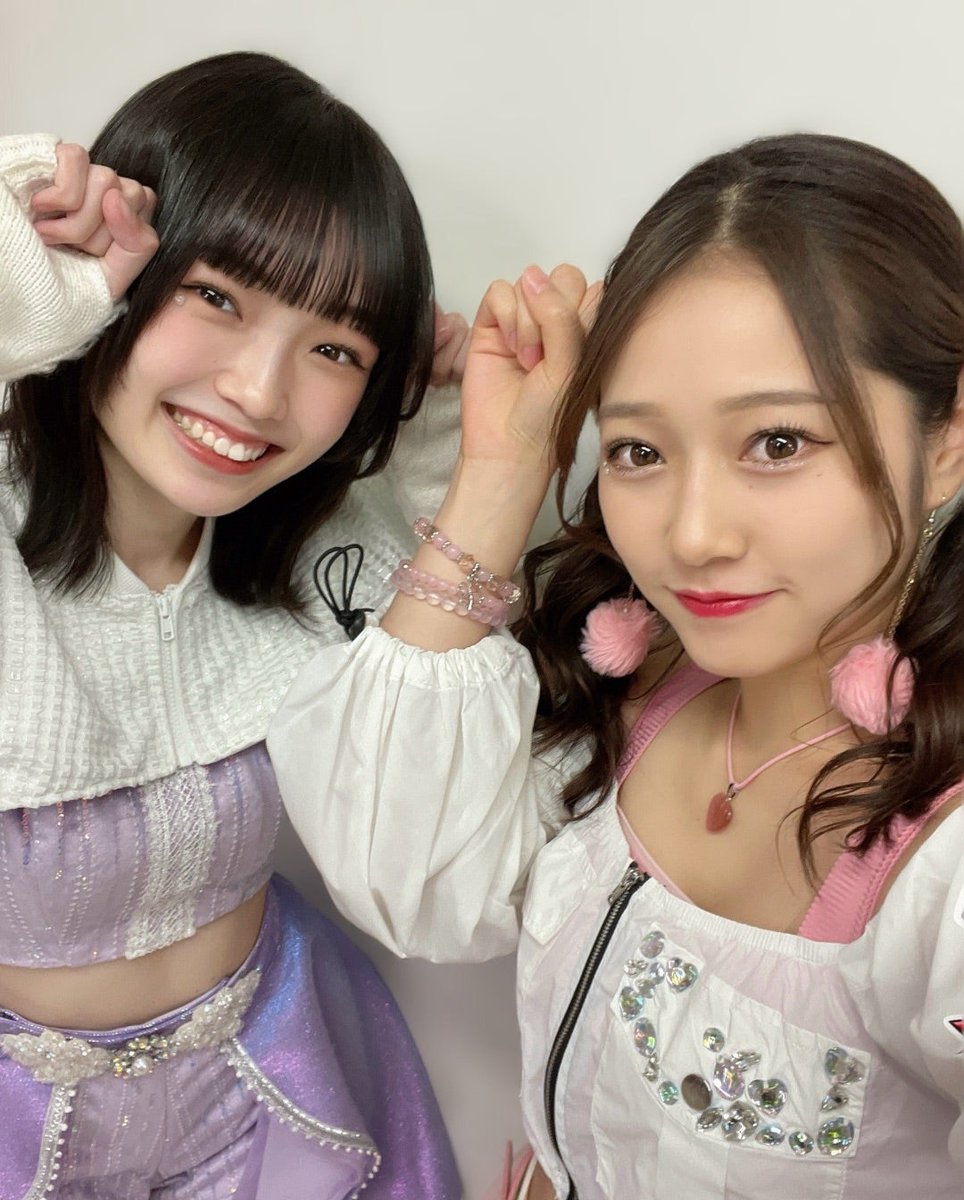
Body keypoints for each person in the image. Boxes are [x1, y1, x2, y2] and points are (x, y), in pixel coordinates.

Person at [270, 133, 964, 1199]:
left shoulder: (943, 856)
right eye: (639, 450)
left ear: (948, 437)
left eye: (777, 442)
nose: (691, 536)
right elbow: (408, 882)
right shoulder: (646, 679)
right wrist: (503, 466)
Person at [0, 51, 463, 1198]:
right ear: (115, 272)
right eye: (216, 295)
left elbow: (474, 609)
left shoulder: (318, 546)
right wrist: (23, 267)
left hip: (271, 1090)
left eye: (335, 348)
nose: (260, 392)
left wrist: (445, 422)